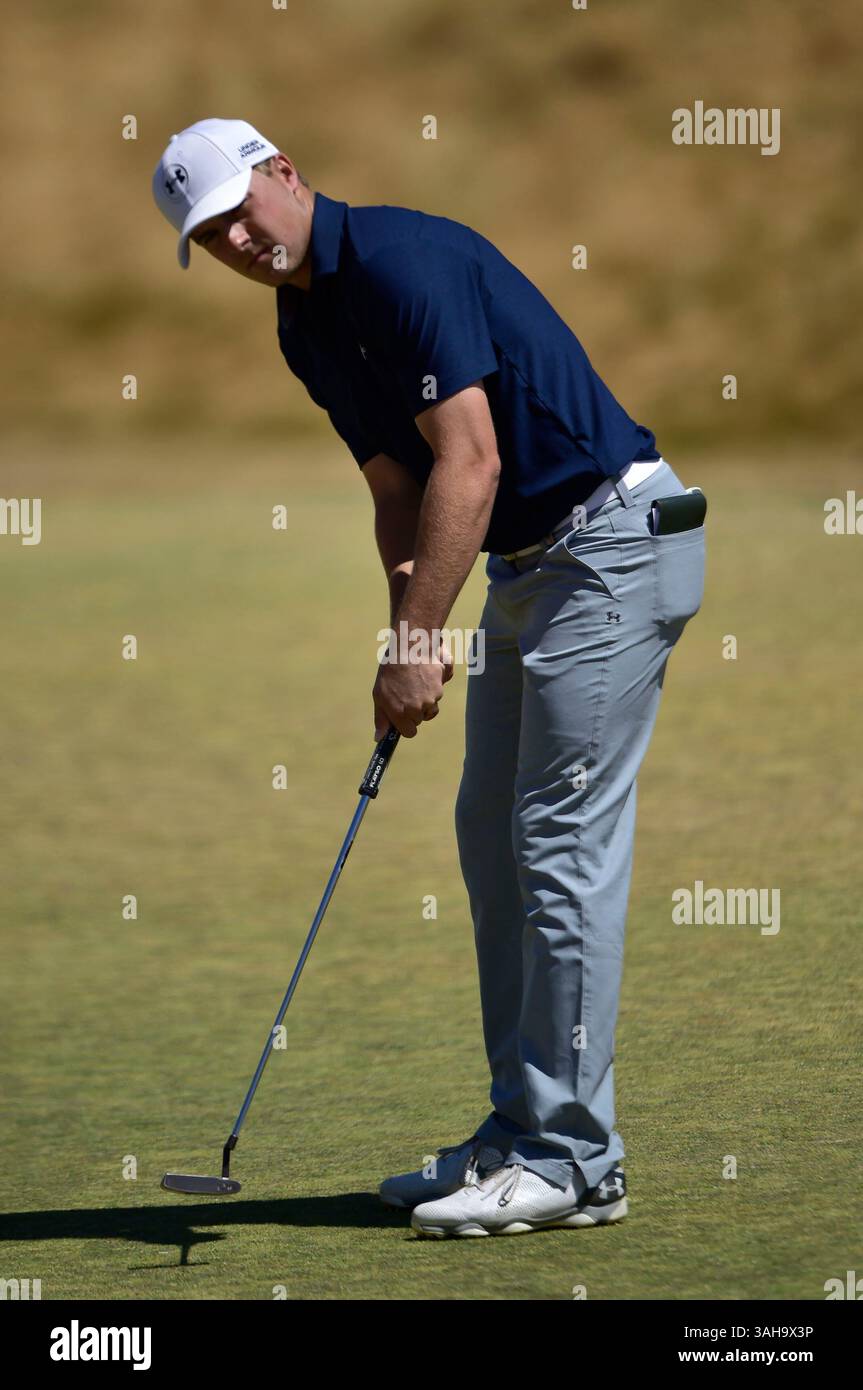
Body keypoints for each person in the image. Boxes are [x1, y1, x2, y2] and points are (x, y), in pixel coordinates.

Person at [153, 117, 706, 1238]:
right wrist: (406, 617)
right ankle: (521, 1127)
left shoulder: (401, 261)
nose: (235, 242)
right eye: (208, 236)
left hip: (610, 546)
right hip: (529, 564)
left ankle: (571, 1158)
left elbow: (474, 455)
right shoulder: (303, 324)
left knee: (555, 843)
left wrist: (416, 643)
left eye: (237, 211)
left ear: (284, 175)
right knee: (490, 838)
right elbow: (398, 486)